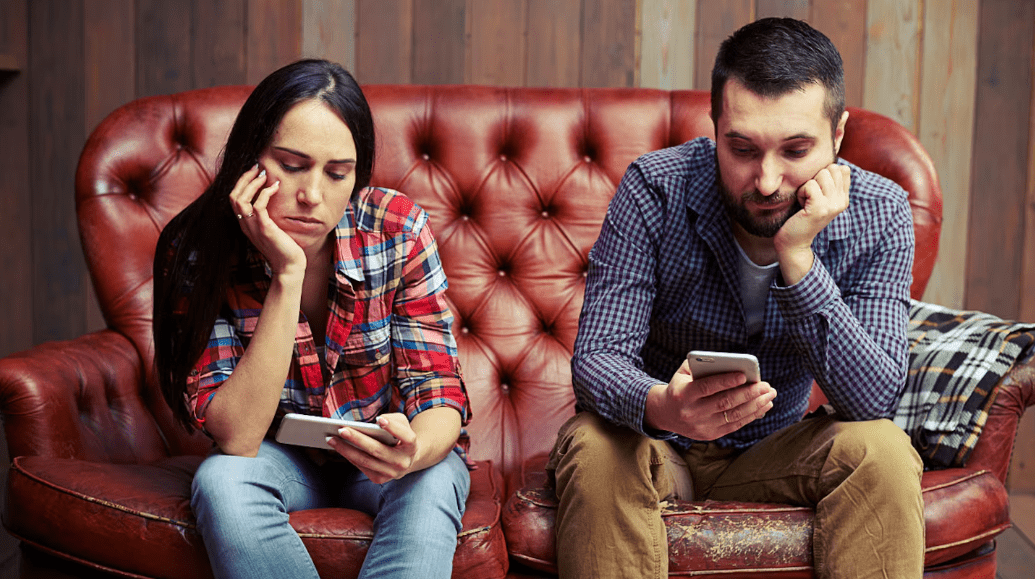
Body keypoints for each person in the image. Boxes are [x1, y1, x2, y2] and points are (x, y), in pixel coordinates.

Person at [548, 18, 924, 579]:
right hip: (655, 447)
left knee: (884, 450)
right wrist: (662, 406)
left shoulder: (881, 211)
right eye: (742, 148)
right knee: (594, 443)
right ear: (715, 127)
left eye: (796, 150)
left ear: (838, 134)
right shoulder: (656, 188)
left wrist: (798, 257)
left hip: (776, 453)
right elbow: (598, 359)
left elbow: (872, 399)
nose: (768, 181)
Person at [152, 59, 471, 579]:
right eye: (292, 165)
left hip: (382, 460)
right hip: (281, 459)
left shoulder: (397, 230)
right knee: (222, 480)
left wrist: (411, 451)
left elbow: (440, 390)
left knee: (435, 477)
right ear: (248, 161)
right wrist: (287, 275)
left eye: (337, 173)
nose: (313, 195)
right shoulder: (197, 252)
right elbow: (236, 437)